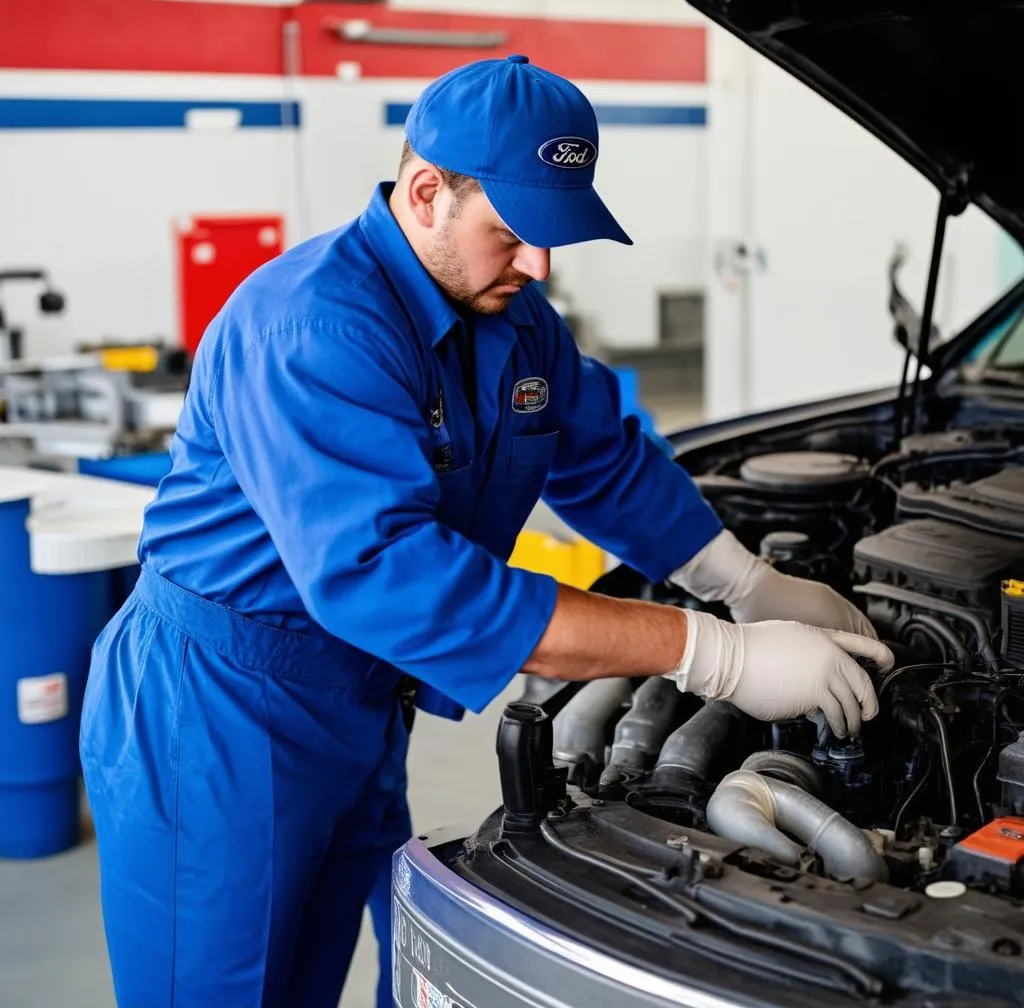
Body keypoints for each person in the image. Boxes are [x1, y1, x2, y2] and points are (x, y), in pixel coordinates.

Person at [79, 54, 893, 1008]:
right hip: (216, 709)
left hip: (359, 694)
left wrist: (743, 581)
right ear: (425, 192)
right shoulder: (312, 329)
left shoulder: (515, 319)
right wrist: (710, 653)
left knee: (306, 973)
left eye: (553, 238)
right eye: (512, 234)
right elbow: (397, 578)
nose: (539, 266)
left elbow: (603, 457)